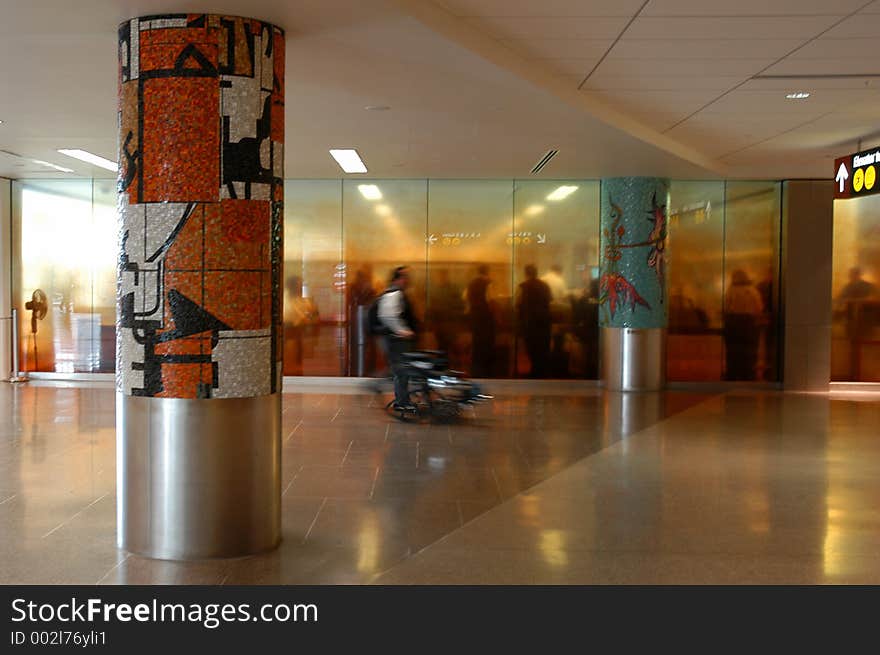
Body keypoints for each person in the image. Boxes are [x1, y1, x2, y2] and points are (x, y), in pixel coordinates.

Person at [378, 266, 418, 410]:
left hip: (397, 340)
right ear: (397, 278)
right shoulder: (394, 293)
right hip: (397, 341)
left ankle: (403, 400)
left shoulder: (397, 292)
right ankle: (402, 402)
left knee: (402, 372)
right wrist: (402, 331)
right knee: (401, 372)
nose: (407, 280)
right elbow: (387, 316)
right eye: (404, 277)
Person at [723, 269, 763, 381]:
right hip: (748, 323)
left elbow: (725, 307)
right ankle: (747, 374)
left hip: (733, 322)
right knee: (748, 351)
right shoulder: (752, 291)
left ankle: (733, 373)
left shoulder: (731, 291)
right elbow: (759, 308)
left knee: (733, 351)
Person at [516, 264, 552, 378]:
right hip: (544, 321)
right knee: (543, 347)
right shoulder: (545, 286)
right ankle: (541, 372)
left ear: (526, 273)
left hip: (529, 321)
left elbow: (517, 303)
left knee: (532, 347)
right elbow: (550, 300)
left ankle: (534, 371)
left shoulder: (522, 286)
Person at [464, 264, 496, 377]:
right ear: (487, 272)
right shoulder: (488, 283)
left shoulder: (471, 283)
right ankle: (485, 369)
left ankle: (476, 369)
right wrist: (497, 316)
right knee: (486, 343)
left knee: (477, 342)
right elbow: (491, 301)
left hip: (474, 316)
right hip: (485, 318)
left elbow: (465, 297)